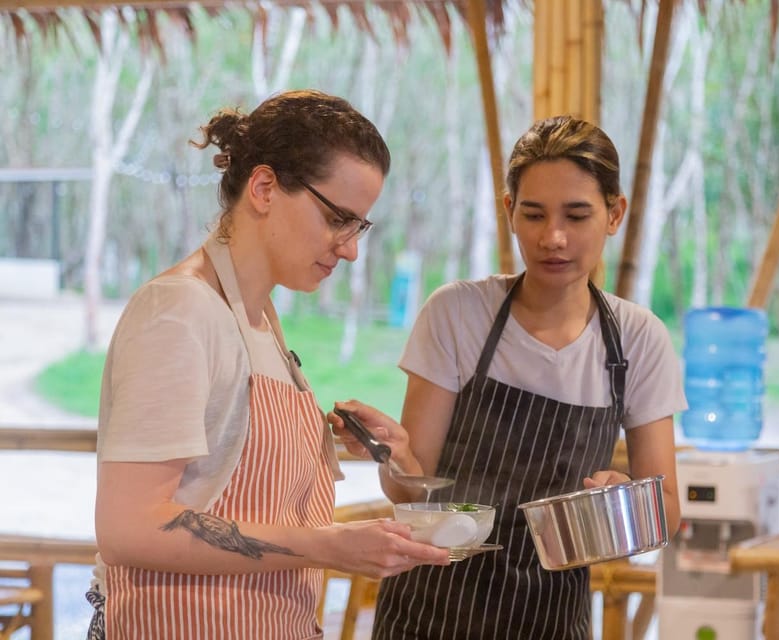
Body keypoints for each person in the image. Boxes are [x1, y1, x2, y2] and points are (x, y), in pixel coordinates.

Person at [86, 89, 449, 640]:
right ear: (263, 188)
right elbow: (128, 527)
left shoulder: (262, 319)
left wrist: (390, 456)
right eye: (337, 218)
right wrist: (330, 545)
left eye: (359, 226)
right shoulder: (179, 310)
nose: (349, 248)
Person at [331, 115, 685, 639]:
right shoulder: (457, 313)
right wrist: (395, 452)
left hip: (551, 618)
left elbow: (668, 511)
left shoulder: (638, 340)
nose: (553, 237)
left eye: (577, 215)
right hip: (429, 614)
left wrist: (625, 501)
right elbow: (412, 489)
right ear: (508, 212)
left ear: (615, 214)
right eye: (534, 214)